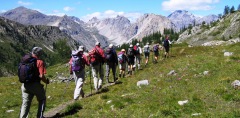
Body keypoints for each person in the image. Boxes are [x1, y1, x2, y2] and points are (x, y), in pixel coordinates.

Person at [20, 47, 49, 118]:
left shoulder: (25, 60)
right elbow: (41, 76)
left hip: (25, 85)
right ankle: (40, 116)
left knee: (25, 104)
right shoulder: (39, 62)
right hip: (35, 85)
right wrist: (46, 81)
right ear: (39, 54)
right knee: (42, 99)